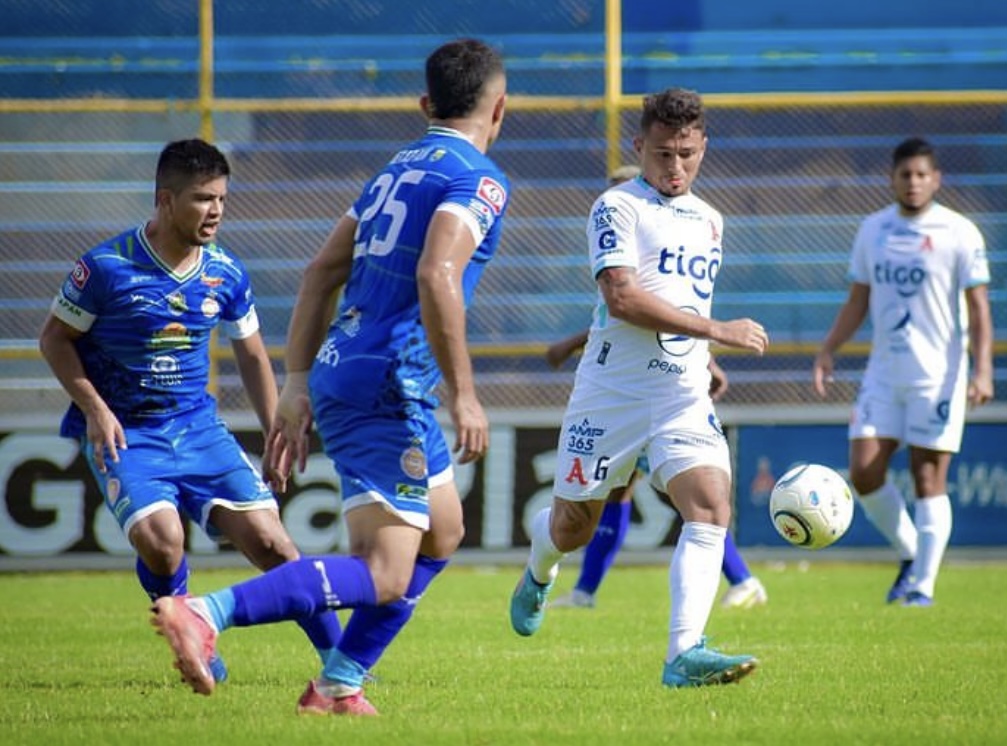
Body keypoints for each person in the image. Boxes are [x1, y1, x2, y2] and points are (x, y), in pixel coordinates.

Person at [149, 38, 510, 716]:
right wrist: (464, 393)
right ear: (501, 108)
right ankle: (206, 612)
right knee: (383, 571)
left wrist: (295, 382)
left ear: (426, 104)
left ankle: (339, 681)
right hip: (390, 382)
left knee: (444, 529)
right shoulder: (478, 179)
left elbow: (319, 273)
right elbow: (437, 274)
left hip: (346, 365)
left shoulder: (392, 172)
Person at [38, 138, 342, 684]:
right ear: (165, 199)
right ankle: (191, 634)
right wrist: (95, 409)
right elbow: (54, 339)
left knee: (275, 544)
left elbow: (251, 353)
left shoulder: (224, 272)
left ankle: (344, 665)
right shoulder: (105, 267)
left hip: (199, 430)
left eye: (222, 198)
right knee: (162, 540)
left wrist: (276, 431)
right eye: (203, 199)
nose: (216, 210)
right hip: (127, 433)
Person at [509, 87, 769, 689]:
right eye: (661, 154)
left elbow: (683, 297)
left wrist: (702, 358)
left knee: (710, 506)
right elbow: (622, 298)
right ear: (639, 147)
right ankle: (538, 572)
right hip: (611, 395)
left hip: (681, 394)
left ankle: (683, 655)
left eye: (685, 153)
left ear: (703, 147)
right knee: (574, 526)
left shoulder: (711, 220)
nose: (674, 167)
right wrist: (717, 331)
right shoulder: (616, 207)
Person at [813, 136, 993, 607]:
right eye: (904, 175)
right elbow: (859, 299)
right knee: (864, 472)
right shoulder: (873, 230)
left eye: (921, 174)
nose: (913, 183)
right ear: (891, 179)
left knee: (928, 477)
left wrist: (983, 370)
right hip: (884, 373)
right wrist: (829, 348)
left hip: (939, 375)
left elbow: (978, 310)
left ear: (936, 179)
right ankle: (914, 554)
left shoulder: (960, 233)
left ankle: (922, 587)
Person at [546, 328, 768, 611]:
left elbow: (644, 314)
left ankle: (743, 580)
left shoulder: (636, 289)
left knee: (688, 500)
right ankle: (583, 592)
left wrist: (567, 343)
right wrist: (709, 364)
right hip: (639, 395)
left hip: (653, 403)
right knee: (618, 493)